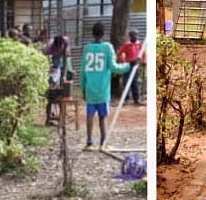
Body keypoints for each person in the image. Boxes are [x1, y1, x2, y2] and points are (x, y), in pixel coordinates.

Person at [80, 22, 133, 151]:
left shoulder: (86, 49)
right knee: (103, 117)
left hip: (90, 89)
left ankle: (89, 142)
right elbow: (114, 67)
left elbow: (82, 71)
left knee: (90, 115)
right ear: (103, 34)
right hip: (103, 90)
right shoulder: (107, 47)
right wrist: (128, 65)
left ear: (93, 33)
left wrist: (83, 89)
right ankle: (103, 143)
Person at [44, 36, 73, 125]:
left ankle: (61, 118)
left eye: (60, 47)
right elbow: (47, 63)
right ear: (55, 46)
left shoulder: (65, 43)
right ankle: (48, 118)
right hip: (51, 64)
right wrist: (50, 77)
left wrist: (63, 75)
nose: (59, 49)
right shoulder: (49, 48)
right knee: (50, 97)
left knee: (61, 96)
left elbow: (65, 60)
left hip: (58, 66)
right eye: (58, 48)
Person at [117, 30, 145, 106]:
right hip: (128, 65)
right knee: (126, 82)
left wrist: (143, 61)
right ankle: (125, 99)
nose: (135, 37)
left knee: (134, 82)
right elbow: (119, 54)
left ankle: (136, 99)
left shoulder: (139, 44)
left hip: (135, 66)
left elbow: (143, 54)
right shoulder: (126, 45)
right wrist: (123, 61)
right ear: (130, 37)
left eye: (136, 35)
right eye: (133, 35)